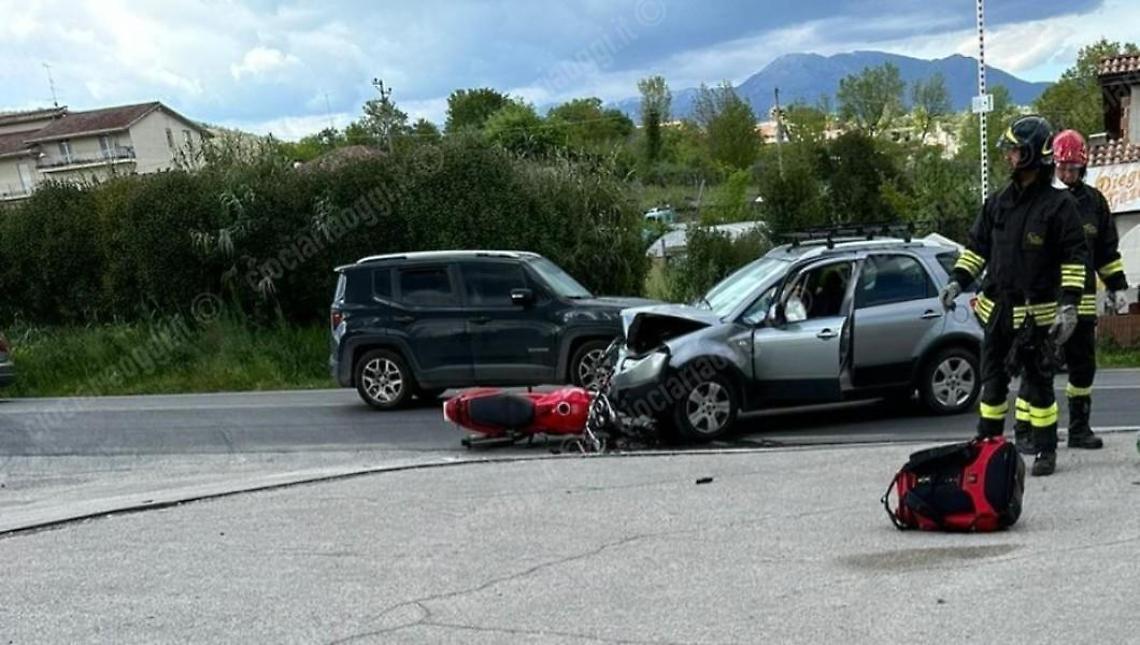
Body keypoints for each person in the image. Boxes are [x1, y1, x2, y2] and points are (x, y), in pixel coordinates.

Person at [939, 115, 1087, 477]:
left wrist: (1068, 306)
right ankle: (986, 448)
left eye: (1016, 150)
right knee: (991, 387)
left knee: (1038, 389)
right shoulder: (998, 203)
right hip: (998, 312)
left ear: (1034, 154)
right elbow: (977, 249)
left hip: (1036, 316)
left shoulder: (1059, 206)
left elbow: (1075, 257)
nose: (1009, 156)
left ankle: (1045, 449)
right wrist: (957, 280)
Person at [1012, 129, 1130, 455]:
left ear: (1083, 168)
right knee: (1037, 369)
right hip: (1047, 303)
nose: (1067, 175)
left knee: (1083, 368)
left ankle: (1079, 428)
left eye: (1073, 170)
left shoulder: (1094, 202)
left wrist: (1117, 287)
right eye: (1062, 168)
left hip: (1083, 305)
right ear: (1052, 166)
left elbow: (1106, 252)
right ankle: (1026, 432)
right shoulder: (1041, 202)